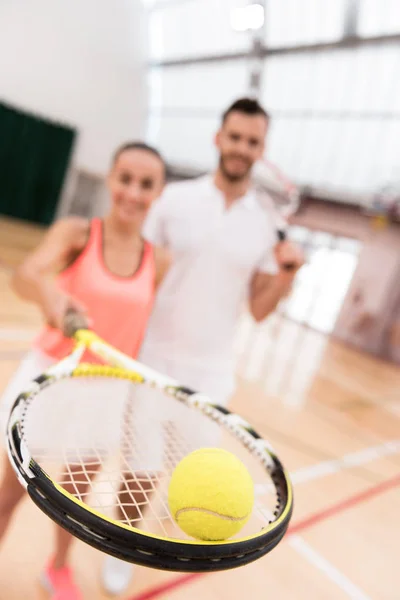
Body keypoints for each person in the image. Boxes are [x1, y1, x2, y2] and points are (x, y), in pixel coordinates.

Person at [101, 98, 304, 594]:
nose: (241, 148)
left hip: (213, 372)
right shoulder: (173, 200)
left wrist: (288, 276)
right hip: (153, 358)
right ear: (218, 138)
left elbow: (258, 308)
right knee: (141, 471)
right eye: (234, 137)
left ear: (261, 149)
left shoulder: (264, 221)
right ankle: (124, 549)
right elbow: (138, 265)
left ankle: (156, 536)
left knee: (188, 475)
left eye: (252, 141)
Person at [0, 142, 169, 600]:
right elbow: (26, 274)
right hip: (50, 378)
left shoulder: (160, 260)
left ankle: (56, 570)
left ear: (159, 191)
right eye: (125, 179)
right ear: (110, 179)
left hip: (105, 392)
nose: (133, 192)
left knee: (74, 498)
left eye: (146, 184)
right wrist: (53, 299)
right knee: (11, 490)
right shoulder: (78, 233)